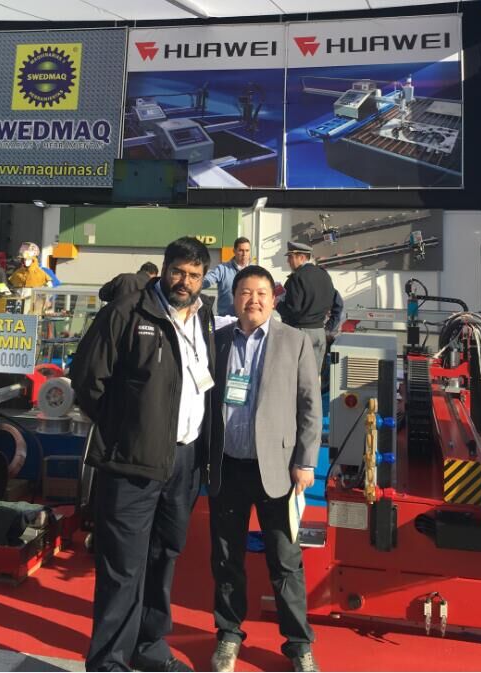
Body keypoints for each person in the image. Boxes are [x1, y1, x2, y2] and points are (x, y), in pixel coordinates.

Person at [70, 237, 215, 672]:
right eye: (178, 272)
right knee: (123, 567)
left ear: (203, 279)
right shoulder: (127, 312)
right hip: (131, 461)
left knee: (163, 557)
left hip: (183, 461)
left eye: (193, 275)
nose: (184, 281)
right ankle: (109, 662)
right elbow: (87, 379)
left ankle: (149, 646)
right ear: (164, 270)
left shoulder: (203, 317)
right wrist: (125, 431)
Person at [208, 265, 321, 673]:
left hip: (277, 469)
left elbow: (310, 404)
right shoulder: (218, 340)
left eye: (260, 293)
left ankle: (298, 644)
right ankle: (229, 635)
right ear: (234, 297)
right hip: (227, 467)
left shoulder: (295, 341)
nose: (252, 300)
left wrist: (305, 461)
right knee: (226, 558)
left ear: (274, 299)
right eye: (245, 292)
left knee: (285, 560)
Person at [276, 241, 335, 370]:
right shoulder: (324, 275)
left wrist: (277, 304)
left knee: (295, 374)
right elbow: (332, 301)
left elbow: (293, 309)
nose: (288, 261)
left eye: (290, 257)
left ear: (302, 257)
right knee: (313, 374)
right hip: (319, 331)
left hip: (300, 332)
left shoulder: (297, 277)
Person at [202, 237, 251, 316]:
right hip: (226, 318)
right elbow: (207, 280)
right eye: (241, 250)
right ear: (234, 251)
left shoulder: (254, 271)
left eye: (247, 250)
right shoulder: (222, 269)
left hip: (247, 318)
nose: (244, 254)